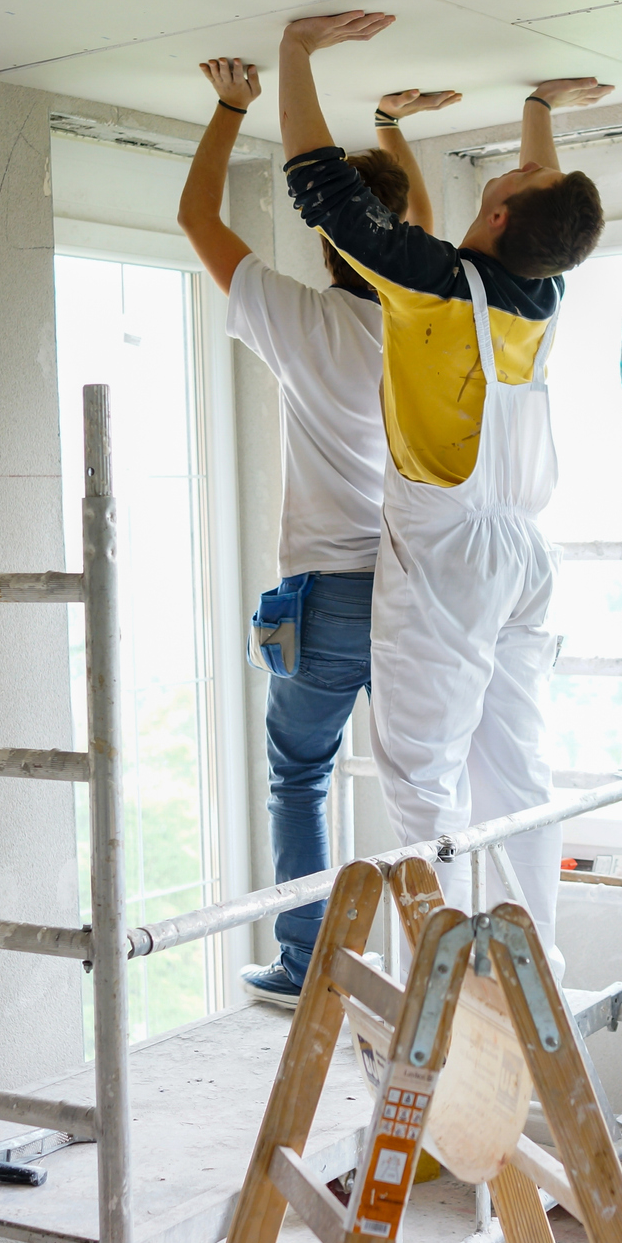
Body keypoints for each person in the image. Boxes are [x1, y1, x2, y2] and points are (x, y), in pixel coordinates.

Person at [274, 10, 610, 973]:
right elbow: (544, 205)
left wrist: (294, 51)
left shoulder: (431, 283)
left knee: (421, 783)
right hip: (522, 556)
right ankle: (524, 971)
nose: (503, 170)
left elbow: (319, 187)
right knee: (518, 777)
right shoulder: (541, 289)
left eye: (504, 176)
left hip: (451, 552)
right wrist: (538, 108)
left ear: (497, 216)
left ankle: (443, 991)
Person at [175, 53, 460, 1007]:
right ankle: (439, 966)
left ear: (329, 244)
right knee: (426, 786)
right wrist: (388, 130)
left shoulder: (302, 320)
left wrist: (230, 107)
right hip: (423, 593)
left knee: (300, 777)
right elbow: (411, 225)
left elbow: (197, 223)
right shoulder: (435, 324)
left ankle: (306, 965)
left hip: (331, 601)